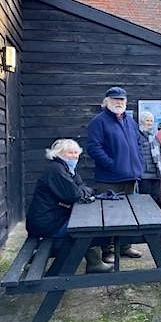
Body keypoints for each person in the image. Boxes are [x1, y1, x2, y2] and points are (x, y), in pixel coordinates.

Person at [26, 139, 112, 273]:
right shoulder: (56, 170)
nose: (74, 156)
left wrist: (83, 191)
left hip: (53, 218)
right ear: (58, 154)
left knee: (87, 226)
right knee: (86, 230)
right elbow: (75, 194)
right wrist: (84, 191)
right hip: (46, 224)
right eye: (69, 153)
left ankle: (94, 262)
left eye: (76, 153)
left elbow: (81, 187)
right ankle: (57, 275)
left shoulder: (67, 169)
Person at [87, 86, 143, 262]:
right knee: (109, 216)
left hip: (131, 176)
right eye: (115, 100)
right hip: (109, 178)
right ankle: (108, 250)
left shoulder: (130, 122)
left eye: (122, 100)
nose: (119, 103)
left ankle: (125, 246)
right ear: (107, 102)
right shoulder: (99, 121)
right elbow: (93, 148)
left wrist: (139, 163)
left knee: (129, 214)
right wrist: (112, 165)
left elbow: (139, 143)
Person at [137, 111, 161, 202]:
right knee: (145, 199)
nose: (149, 123)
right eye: (147, 120)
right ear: (142, 121)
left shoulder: (154, 135)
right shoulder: (137, 135)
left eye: (151, 121)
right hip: (144, 173)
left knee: (156, 198)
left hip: (156, 172)